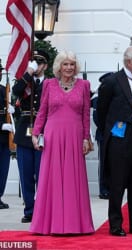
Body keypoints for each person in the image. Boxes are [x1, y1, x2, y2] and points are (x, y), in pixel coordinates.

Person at [29, 50, 94, 235]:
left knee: (74, 179)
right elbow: (42, 112)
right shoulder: (49, 84)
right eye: (65, 64)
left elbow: (85, 115)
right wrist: (35, 134)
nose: (69, 68)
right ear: (59, 66)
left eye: (72, 64)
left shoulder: (84, 85)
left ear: (76, 67)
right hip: (53, 137)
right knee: (52, 179)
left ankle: (75, 224)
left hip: (74, 137)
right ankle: (49, 224)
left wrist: (86, 139)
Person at [97, 45, 132, 237]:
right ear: (129, 61)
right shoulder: (112, 81)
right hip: (120, 136)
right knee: (118, 182)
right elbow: (101, 112)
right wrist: (110, 131)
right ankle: (116, 225)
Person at [12, 49, 49, 223]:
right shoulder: (26, 82)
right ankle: (29, 210)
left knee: (42, 174)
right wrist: (28, 73)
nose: (37, 65)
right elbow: (16, 90)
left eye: (40, 62)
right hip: (25, 133)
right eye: (34, 62)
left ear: (46, 65)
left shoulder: (50, 84)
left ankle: (42, 210)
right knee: (26, 174)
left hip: (44, 132)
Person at [92, 72, 113, 200]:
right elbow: (97, 118)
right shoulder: (97, 98)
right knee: (105, 163)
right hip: (104, 134)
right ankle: (104, 189)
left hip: (116, 134)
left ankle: (113, 188)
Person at [0, 61, 14, 209]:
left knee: (3, 169)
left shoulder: (4, 90)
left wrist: (12, 110)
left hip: (4, 137)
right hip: (1, 129)